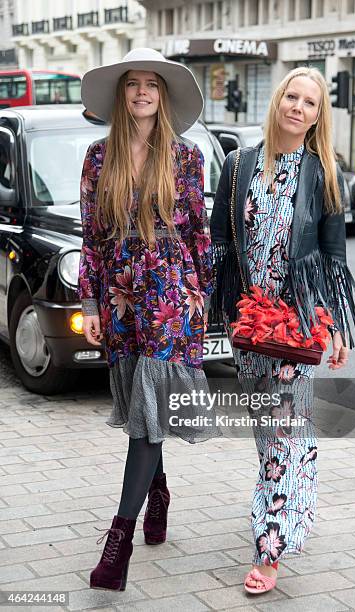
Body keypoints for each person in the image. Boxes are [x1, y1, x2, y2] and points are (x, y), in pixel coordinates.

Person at [210, 66, 355, 595]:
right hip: (249, 322)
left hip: (297, 320)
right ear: (278, 100)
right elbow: (220, 243)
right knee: (268, 429)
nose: (298, 107)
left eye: (310, 102)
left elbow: (332, 257)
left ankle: (272, 546)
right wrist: (216, 313)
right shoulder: (237, 166)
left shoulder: (321, 172)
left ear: (317, 116)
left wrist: (338, 329)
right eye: (292, 96)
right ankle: (285, 507)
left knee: (285, 428)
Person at [78, 48, 214, 591]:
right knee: (141, 401)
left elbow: (200, 233)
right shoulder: (95, 157)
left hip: (171, 297)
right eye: (132, 84)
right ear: (121, 94)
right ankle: (156, 490)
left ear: (163, 95)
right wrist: (90, 304)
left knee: (148, 408)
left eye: (151, 85)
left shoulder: (184, 158)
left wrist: (204, 298)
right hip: (121, 297)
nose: (141, 93)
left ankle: (119, 541)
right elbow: (90, 237)